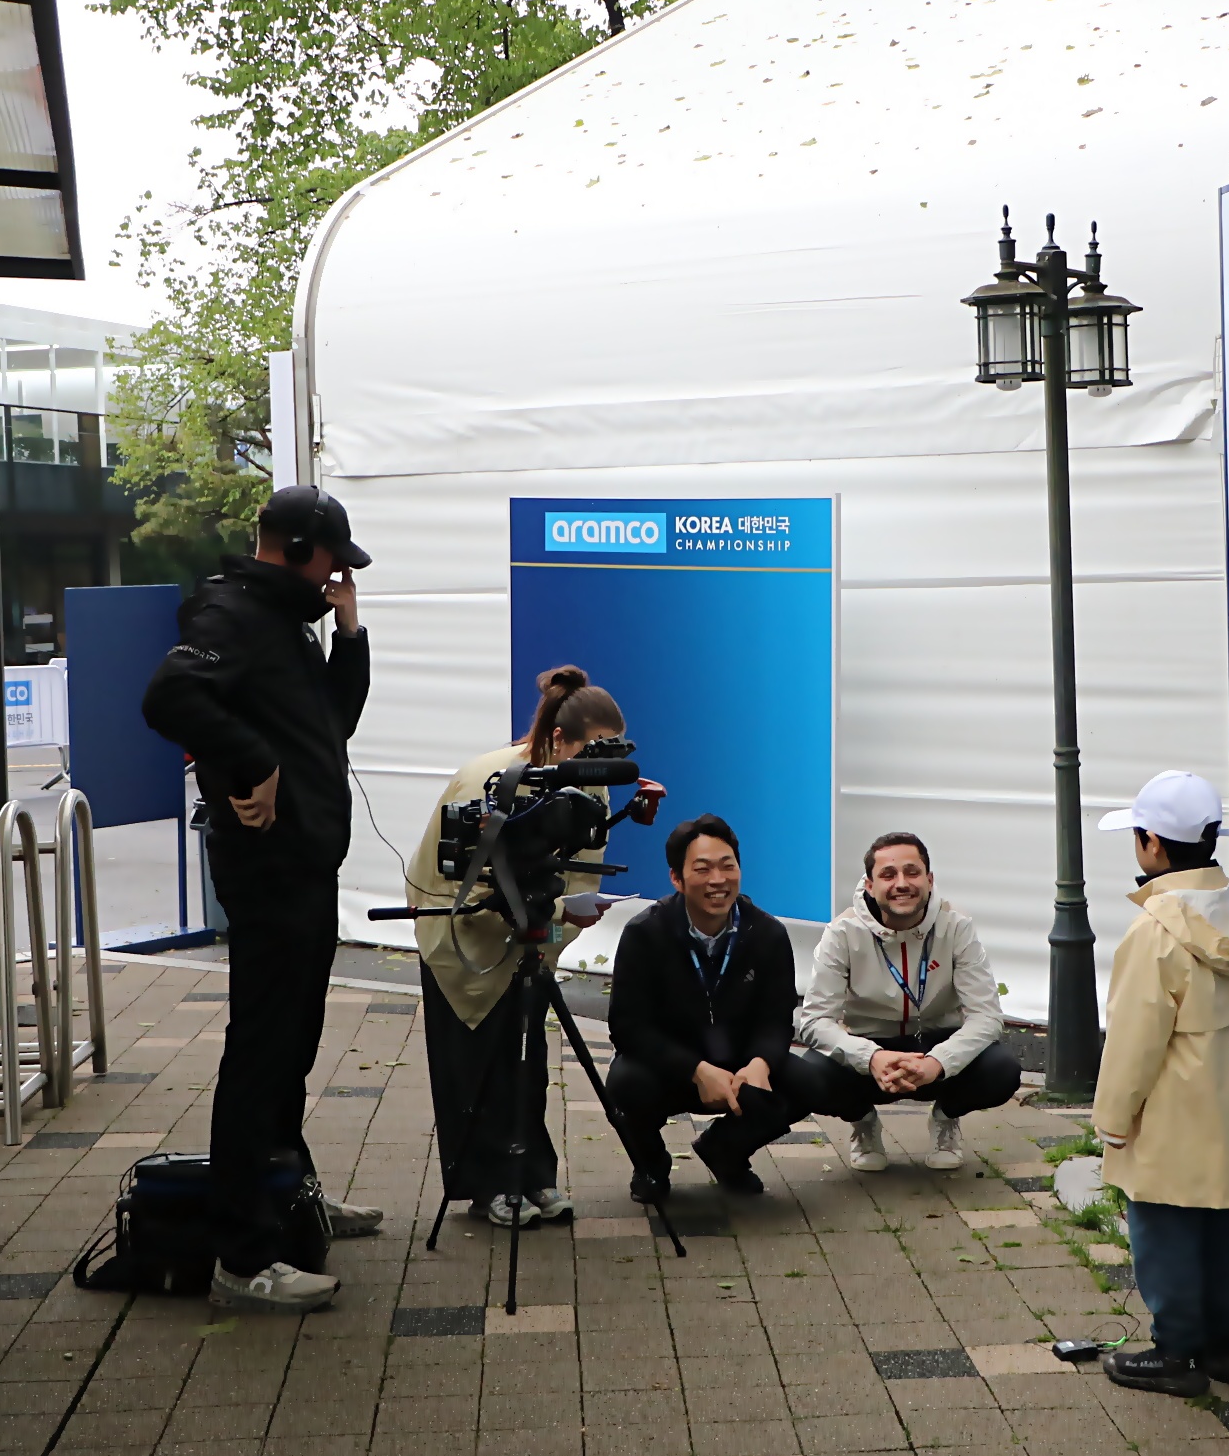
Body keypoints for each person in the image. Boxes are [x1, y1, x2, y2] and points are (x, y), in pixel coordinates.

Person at [141, 483, 387, 1313]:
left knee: (293, 1046)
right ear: (300, 550)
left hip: (306, 864)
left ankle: (291, 1196)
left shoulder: (285, 620)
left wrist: (349, 636)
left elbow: (331, 724)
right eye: (332, 564)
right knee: (261, 1053)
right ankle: (243, 1255)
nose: (335, 579)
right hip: (269, 869)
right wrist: (253, 764)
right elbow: (169, 696)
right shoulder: (233, 613)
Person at [408, 665, 658, 1229]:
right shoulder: (487, 778)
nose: (598, 765)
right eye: (592, 750)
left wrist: (561, 923)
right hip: (465, 939)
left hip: (532, 937)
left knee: (528, 1065)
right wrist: (546, 911)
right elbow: (457, 877)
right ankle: (487, 1186)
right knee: (476, 1065)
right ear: (557, 738)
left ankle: (532, 1175)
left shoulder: (589, 785)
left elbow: (579, 874)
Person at [1088, 770, 1229, 1398]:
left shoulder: (1155, 930)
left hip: (1172, 1104)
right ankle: (1225, 1349)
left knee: (1162, 1222)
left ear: (1152, 843)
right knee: (1220, 1220)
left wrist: (1112, 1119)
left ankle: (1175, 1351)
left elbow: (1134, 1039)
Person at [789, 832, 1022, 1172]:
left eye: (912, 872)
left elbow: (986, 1017)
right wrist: (871, 1057)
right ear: (870, 885)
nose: (902, 883)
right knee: (805, 1075)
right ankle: (863, 1121)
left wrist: (938, 1062)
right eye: (888, 875)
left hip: (937, 1047)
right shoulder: (842, 932)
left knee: (1002, 1070)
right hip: (869, 1052)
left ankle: (946, 1117)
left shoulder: (956, 925)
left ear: (929, 879)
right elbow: (814, 1021)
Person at [602, 814, 803, 1200]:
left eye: (728, 866)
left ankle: (726, 1151)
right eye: (703, 869)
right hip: (673, 1066)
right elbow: (628, 1027)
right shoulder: (645, 933)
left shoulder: (767, 933)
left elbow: (778, 1018)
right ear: (676, 878)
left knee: (808, 1080)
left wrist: (760, 1064)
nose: (718, 880)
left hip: (741, 1065)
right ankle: (650, 1165)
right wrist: (696, 1070)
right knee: (625, 1083)